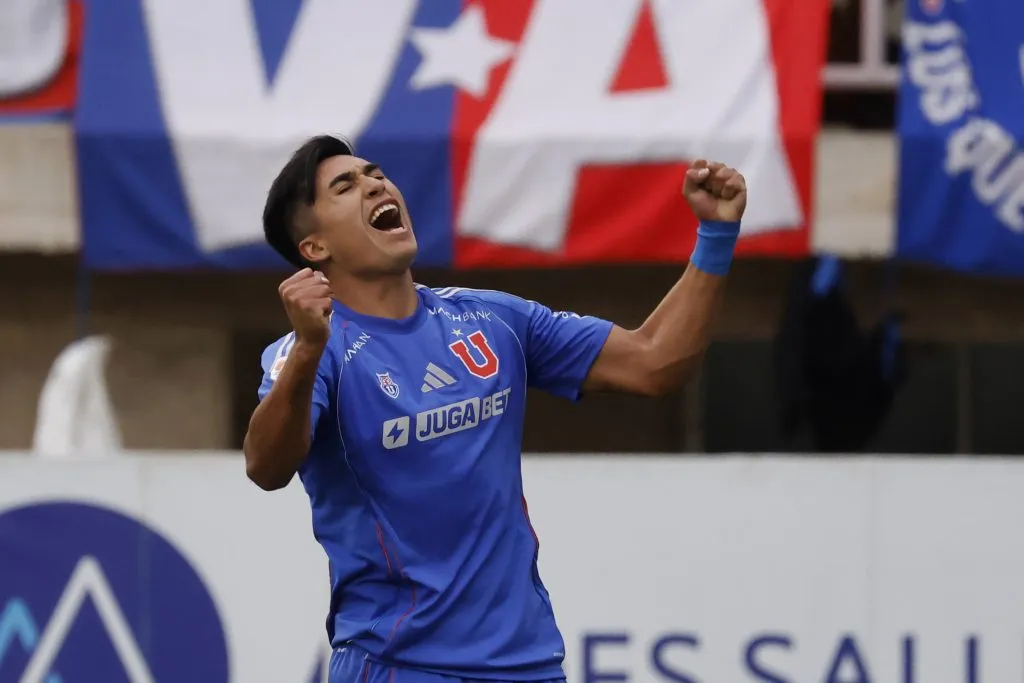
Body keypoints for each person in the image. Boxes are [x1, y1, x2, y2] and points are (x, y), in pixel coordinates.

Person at [244, 135, 747, 683]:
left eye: (375, 173)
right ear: (315, 248)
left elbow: (654, 362)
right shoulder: (313, 350)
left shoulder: (492, 320)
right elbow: (265, 468)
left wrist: (716, 234)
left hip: (527, 665)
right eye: (345, 186)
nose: (374, 184)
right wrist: (309, 351)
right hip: (399, 666)